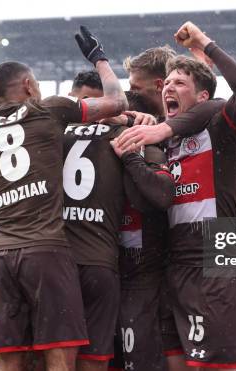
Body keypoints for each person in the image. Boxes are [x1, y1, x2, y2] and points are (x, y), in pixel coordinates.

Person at [0, 26, 127, 371]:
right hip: (46, 250)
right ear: (28, 86)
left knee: (7, 362)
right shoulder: (48, 110)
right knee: (60, 358)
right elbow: (117, 100)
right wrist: (99, 58)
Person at [124, 21, 236, 370]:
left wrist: (204, 44)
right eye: (166, 83)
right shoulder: (163, 138)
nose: (169, 87)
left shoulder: (220, 130)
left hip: (216, 263)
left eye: (179, 83)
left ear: (201, 96)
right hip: (174, 266)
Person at [64, 79, 174, 371]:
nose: (97, 114)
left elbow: (161, 195)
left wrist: (131, 148)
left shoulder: (140, 142)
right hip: (104, 264)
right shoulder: (95, 139)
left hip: (132, 269)